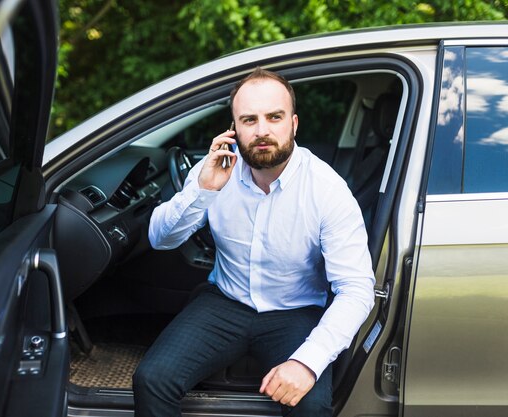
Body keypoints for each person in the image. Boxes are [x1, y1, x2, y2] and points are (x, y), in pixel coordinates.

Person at [133, 67, 375, 416]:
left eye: (274, 117)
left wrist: (307, 363)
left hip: (295, 313)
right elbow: (161, 238)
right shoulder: (215, 169)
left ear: (293, 124)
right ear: (234, 129)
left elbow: (356, 288)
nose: (262, 131)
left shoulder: (327, 189)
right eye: (249, 120)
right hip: (224, 303)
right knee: (151, 380)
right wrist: (203, 190)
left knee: (311, 405)